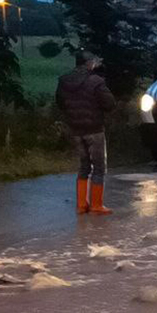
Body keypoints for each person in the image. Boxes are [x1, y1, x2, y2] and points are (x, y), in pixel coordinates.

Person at [56, 51, 117, 215]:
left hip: (75, 129)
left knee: (83, 166)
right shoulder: (96, 81)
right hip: (94, 129)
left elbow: (60, 103)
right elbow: (110, 104)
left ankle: (82, 205)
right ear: (89, 63)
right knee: (98, 167)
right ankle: (97, 205)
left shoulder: (64, 81)